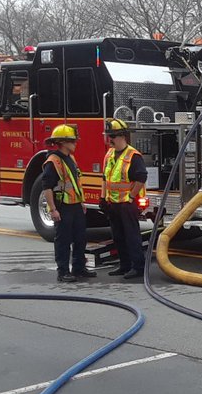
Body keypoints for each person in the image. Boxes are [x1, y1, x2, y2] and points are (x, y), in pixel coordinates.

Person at [41, 125, 96, 282]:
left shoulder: (70, 158)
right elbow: (47, 187)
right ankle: (63, 272)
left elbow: (76, 183)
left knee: (80, 238)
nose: (75, 144)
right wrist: (53, 209)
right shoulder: (53, 162)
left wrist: (81, 201)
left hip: (75, 205)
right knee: (63, 240)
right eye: (72, 141)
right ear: (63, 142)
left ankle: (79, 268)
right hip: (62, 207)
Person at [101, 119, 148, 280]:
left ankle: (138, 267)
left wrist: (131, 197)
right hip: (113, 204)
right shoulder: (109, 154)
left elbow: (141, 177)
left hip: (127, 204)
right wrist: (103, 198)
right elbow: (105, 178)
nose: (109, 140)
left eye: (112, 136)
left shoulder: (133, 156)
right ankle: (124, 265)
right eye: (108, 136)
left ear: (122, 136)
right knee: (118, 236)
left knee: (131, 236)